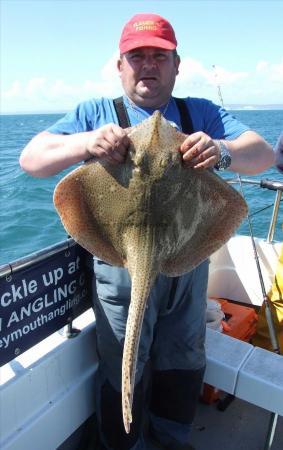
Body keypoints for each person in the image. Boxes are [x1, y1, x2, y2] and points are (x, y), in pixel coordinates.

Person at [20, 13, 274, 450]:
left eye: (159, 55)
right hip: (120, 261)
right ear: (120, 66)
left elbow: (263, 154)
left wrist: (222, 150)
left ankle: (170, 438)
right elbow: (32, 159)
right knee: (125, 356)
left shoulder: (201, 112)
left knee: (183, 355)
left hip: (186, 258)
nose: (148, 64)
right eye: (137, 56)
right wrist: (86, 143)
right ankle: (125, 444)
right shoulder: (95, 113)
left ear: (176, 64)